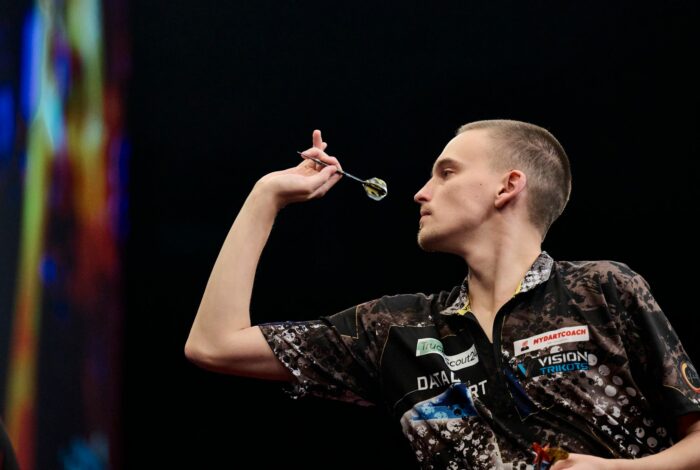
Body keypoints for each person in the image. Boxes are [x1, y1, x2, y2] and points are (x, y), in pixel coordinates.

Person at [185, 120, 700, 469]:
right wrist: (266, 197)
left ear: (507, 187)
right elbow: (213, 344)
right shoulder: (397, 330)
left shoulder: (602, 289)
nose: (421, 192)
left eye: (446, 173)